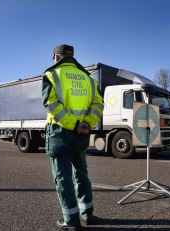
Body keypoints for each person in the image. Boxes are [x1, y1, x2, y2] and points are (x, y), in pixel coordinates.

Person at [42, 44, 104, 230]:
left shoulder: (52, 75)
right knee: (81, 174)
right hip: (81, 135)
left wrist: (74, 124)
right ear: (72, 56)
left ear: (56, 57)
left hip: (60, 133)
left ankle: (71, 222)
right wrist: (87, 124)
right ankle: (88, 214)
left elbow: (51, 105)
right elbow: (98, 104)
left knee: (63, 179)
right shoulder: (88, 78)